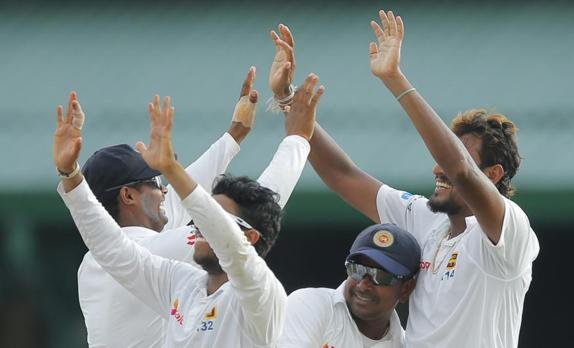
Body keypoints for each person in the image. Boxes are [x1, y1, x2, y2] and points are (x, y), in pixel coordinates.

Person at [272, 11, 540, 348]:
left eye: (451, 157)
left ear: (493, 175)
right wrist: (287, 99)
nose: (437, 169)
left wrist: (394, 79)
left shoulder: (510, 232)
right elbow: (344, 176)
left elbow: (460, 170)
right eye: (439, 160)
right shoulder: (426, 220)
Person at [54, 72, 324, 347]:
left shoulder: (94, 262)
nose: (166, 190)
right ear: (128, 196)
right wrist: (298, 140)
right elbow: (239, 218)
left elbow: (200, 210)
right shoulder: (169, 261)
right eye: (156, 182)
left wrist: (233, 137)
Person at [279, 223, 421, 347]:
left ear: (405, 289)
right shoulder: (309, 304)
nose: (363, 286)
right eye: (357, 270)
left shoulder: (406, 344)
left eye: (380, 276)